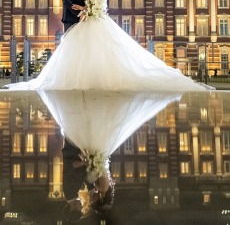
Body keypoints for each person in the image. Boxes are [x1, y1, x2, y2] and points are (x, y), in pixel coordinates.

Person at [7, 0, 208, 92]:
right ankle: (87, 82)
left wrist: (86, 9)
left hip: (96, 20)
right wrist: (83, 7)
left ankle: (95, 83)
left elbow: (99, 3)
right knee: (88, 53)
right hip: (90, 19)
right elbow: (92, 2)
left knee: (100, 53)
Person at [43, 91, 181, 220]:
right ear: (100, 198)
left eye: (81, 208)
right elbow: (92, 171)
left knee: (80, 124)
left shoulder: (72, 191)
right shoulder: (88, 189)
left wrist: (87, 165)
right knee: (79, 123)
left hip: (76, 152)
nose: (86, 203)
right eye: (92, 202)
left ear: (72, 208)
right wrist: (88, 164)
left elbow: (75, 171)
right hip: (79, 152)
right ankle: (80, 101)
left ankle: (80, 102)